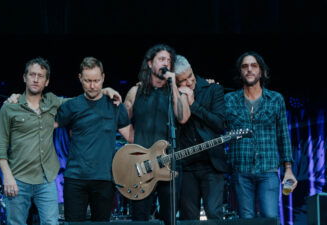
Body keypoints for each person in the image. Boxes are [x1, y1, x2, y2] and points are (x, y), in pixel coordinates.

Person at [55, 56, 132, 222]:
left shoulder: (115, 105)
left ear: (103, 77)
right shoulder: (71, 105)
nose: (92, 86)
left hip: (104, 179)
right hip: (75, 179)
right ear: (80, 79)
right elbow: (45, 125)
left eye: (96, 80)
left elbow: (132, 137)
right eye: (88, 80)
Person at [224, 51, 297, 219]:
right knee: (246, 218)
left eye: (253, 66)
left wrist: (288, 169)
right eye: (245, 66)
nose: (249, 69)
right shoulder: (229, 100)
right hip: (240, 170)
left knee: (270, 216)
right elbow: (218, 127)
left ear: (262, 71)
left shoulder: (275, 99)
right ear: (240, 72)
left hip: (268, 169)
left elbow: (283, 135)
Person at [124, 44, 190, 225]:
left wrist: (174, 85)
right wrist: (132, 138)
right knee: (140, 216)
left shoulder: (174, 92)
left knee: (170, 216)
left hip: (169, 162)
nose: (166, 63)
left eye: (169, 60)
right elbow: (120, 120)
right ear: (150, 63)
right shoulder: (135, 92)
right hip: (142, 164)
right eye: (162, 59)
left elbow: (183, 117)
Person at [0, 57, 62, 225]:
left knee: (52, 223)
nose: (36, 79)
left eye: (40, 76)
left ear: (47, 81)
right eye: (32, 74)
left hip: (46, 179)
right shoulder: (10, 107)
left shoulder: (53, 102)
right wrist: (7, 177)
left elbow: (80, 103)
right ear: (25, 77)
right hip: (18, 179)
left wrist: (105, 91)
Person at [174, 55, 230, 220]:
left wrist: (194, 105)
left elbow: (220, 124)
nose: (189, 82)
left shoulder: (213, 90)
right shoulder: (173, 97)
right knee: (188, 217)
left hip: (211, 165)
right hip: (186, 166)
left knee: (213, 213)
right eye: (183, 80)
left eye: (190, 76)